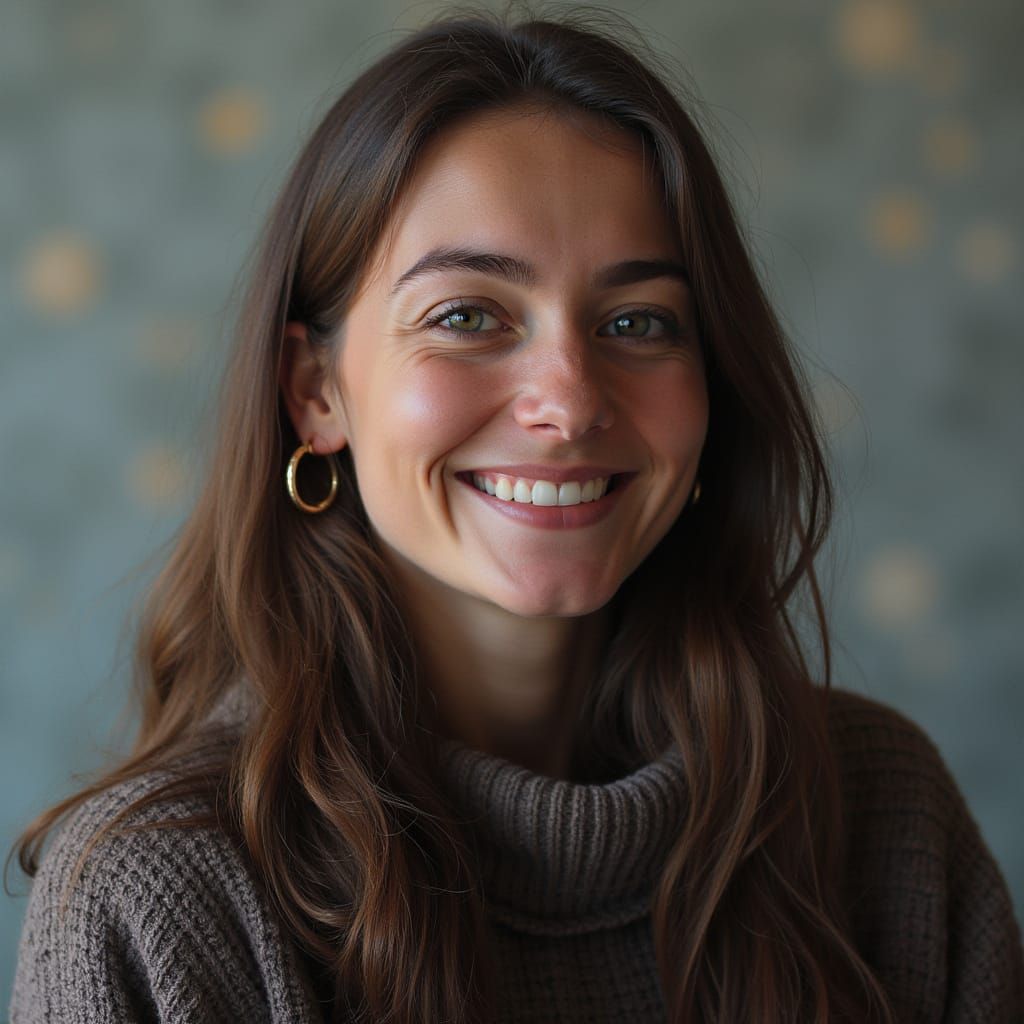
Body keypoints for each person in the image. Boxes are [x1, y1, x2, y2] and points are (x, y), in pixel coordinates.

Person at [7, 7, 1023, 1023]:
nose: (571, 398)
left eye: (637, 322)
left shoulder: (884, 819)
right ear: (315, 392)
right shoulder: (158, 897)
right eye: (467, 316)